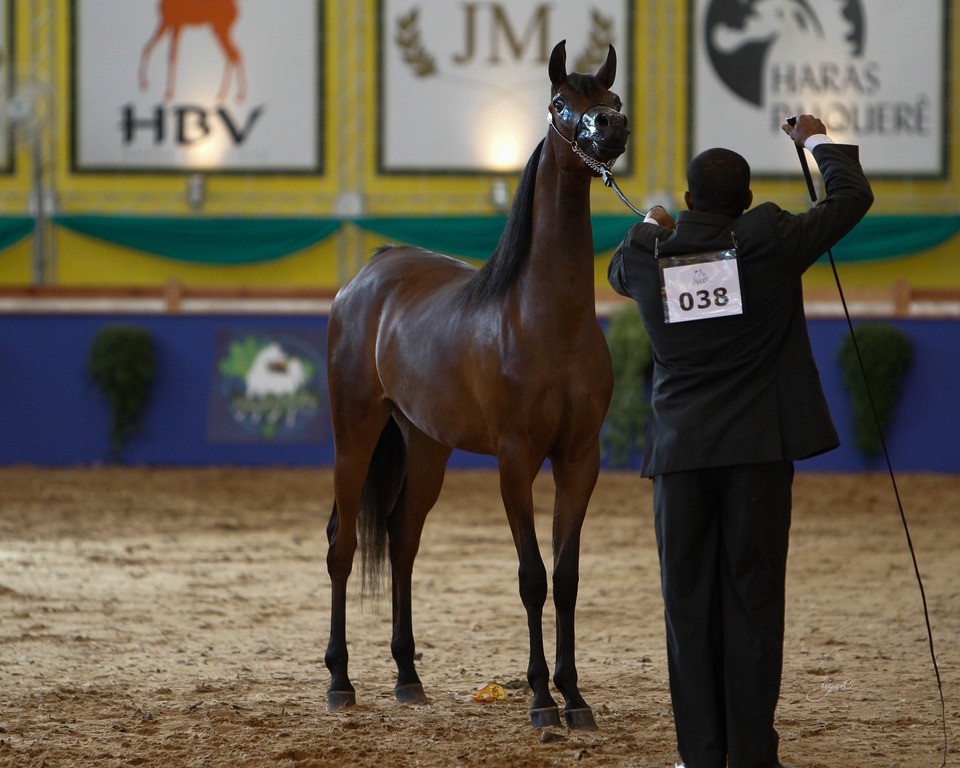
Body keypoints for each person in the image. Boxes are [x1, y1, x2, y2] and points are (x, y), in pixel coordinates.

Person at [607, 115, 873, 768]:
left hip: (680, 458)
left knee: (689, 611)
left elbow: (619, 271)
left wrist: (653, 223)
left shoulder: (649, 254)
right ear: (747, 199)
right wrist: (817, 139)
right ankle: (752, 756)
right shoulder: (769, 238)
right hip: (758, 453)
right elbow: (850, 198)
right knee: (753, 604)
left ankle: (701, 757)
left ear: (691, 201)